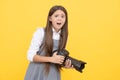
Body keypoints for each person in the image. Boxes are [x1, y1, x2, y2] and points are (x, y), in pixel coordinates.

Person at [24, 5, 73, 80]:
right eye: (56, 16)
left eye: (63, 16)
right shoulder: (40, 32)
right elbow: (30, 55)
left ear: (65, 19)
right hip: (37, 72)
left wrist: (65, 65)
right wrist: (51, 59)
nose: (59, 18)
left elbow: (57, 59)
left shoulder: (65, 37)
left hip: (53, 75)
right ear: (50, 18)